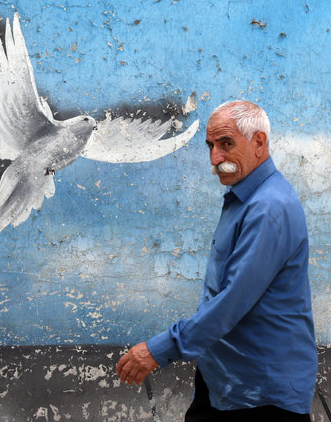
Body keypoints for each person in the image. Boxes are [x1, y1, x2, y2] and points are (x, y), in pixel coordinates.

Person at [116, 100, 317, 421]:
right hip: (227, 382)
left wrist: (159, 349)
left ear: (259, 143)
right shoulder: (247, 198)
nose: (215, 158)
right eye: (211, 146)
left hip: (261, 394)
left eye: (226, 144)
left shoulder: (269, 207)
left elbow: (232, 300)